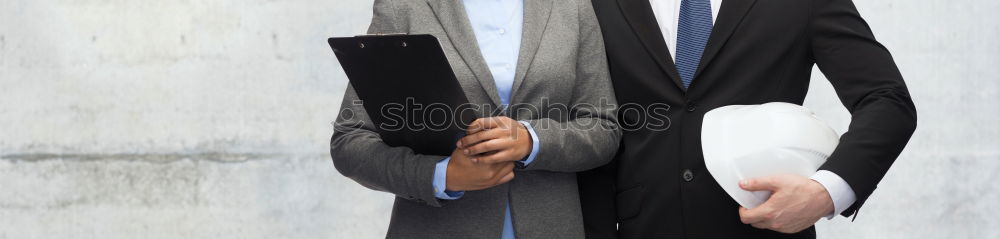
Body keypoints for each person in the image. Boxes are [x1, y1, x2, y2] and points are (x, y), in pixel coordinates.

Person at [579, 0, 917, 238]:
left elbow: (887, 100)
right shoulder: (593, 4)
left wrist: (824, 193)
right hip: (644, 228)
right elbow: (590, 124)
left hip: (764, 229)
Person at [330, 0, 621, 238]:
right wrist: (441, 175)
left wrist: (533, 141)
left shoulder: (573, 6)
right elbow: (350, 140)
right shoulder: (404, 6)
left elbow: (603, 128)